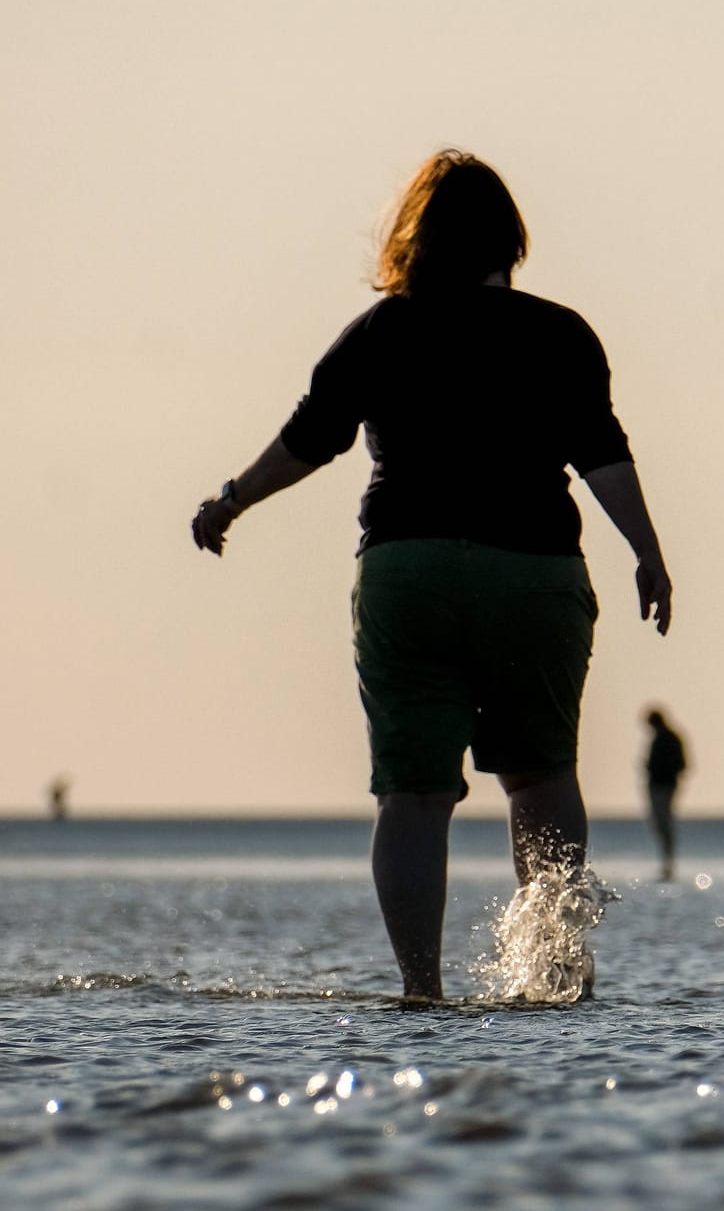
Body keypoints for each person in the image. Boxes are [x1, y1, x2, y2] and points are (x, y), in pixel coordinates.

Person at [190, 150, 673, 1000]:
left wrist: (231, 500)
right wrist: (647, 550)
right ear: (511, 241)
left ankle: (422, 988)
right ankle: (554, 971)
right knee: (541, 776)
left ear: (415, 238)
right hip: (532, 572)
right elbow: (601, 452)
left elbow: (311, 437)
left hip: (406, 571)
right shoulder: (559, 332)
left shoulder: (384, 330)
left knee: (413, 797)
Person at [641, 706, 688, 881]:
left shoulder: (665, 739)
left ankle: (668, 862)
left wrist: (658, 771)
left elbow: (681, 764)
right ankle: (667, 862)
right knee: (661, 823)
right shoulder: (665, 738)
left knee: (663, 823)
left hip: (663, 786)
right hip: (662, 785)